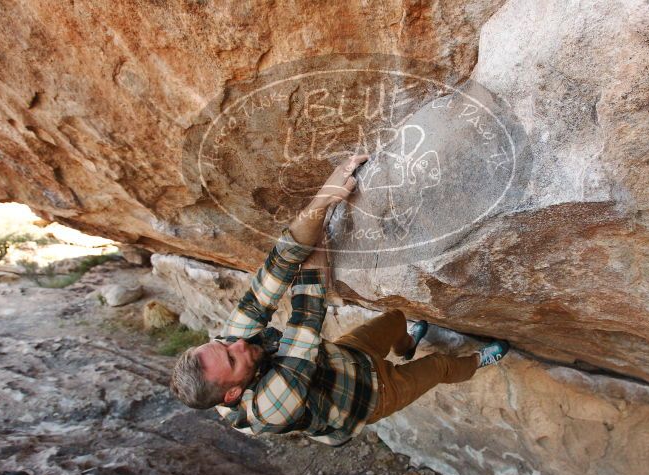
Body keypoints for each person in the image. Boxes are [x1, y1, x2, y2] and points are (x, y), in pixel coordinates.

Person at [169, 154, 510, 446]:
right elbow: (305, 322)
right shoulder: (268, 410)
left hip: (346, 358)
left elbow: (268, 281)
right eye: (231, 359)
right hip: (368, 398)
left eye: (222, 344)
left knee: (394, 318)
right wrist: (317, 249)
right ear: (231, 394)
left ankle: (405, 347)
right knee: (439, 366)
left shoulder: (227, 347)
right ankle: (478, 361)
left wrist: (320, 202)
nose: (237, 345)